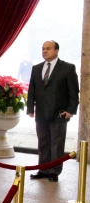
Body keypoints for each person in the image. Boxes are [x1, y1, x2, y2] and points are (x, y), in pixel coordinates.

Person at [27, 41, 79, 183]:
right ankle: (43, 169)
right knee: (43, 141)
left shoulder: (67, 68)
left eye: (48, 48)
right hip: (41, 113)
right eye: (43, 48)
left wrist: (71, 110)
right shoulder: (37, 68)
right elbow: (32, 89)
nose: (44, 51)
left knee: (56, 143)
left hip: (59, 112)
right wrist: (30, 107)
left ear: (56, 51)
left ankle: (54, 171)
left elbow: (73, 91)